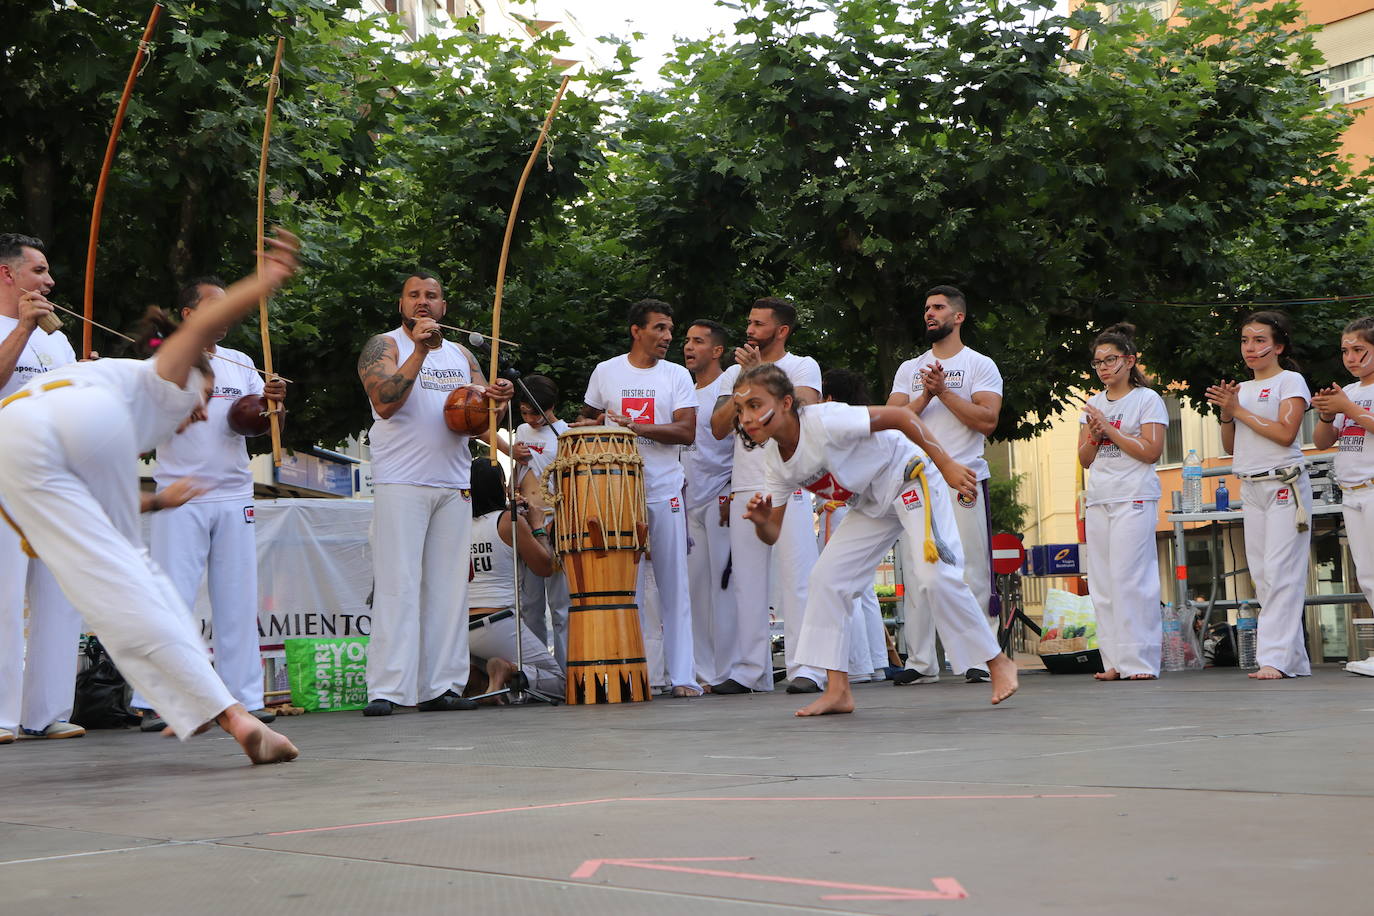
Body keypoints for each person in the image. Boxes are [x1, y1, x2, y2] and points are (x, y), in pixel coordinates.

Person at [0, 231, 303, 763]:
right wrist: (265, 279)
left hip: (17, 444)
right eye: (205, 398)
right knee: (136, 589)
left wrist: (157, 505)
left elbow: (83, 503)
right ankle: (229, 714)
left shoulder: (96, 373)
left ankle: (229, 716)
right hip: (66, 429)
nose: (204, 412)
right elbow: (204, 323)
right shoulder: (166, 379)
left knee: (110, 593)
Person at [733, 365, 1018, 716]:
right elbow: (772, 533)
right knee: (826, 580)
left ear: (787, 402)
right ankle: (838, 690)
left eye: (754, 405)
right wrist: (762, 522)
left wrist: (945, 464)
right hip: (870, 504)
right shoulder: (776, 462)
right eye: (740, 409)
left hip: (908, 479)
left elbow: (900, 416)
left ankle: (996, 661)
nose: (746, 417)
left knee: (934, 576)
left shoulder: (825, 420)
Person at [130, 279, 285, 732]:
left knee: (237, 601)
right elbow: (143, 430)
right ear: (188, 314)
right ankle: (157, 699)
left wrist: (272, 406)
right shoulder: (164, 361)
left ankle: (244, 698)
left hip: (234, 493)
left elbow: (261, 424)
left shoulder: (242, 363)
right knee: (173, 598)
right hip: (180, 494)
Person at [357, 270, 515, 716]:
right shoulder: (384, 346)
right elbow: (386, 402)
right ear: (401, 305)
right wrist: (420, 352)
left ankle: (442, 685)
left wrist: (498, 399)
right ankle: (387, 689)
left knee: (449, 590)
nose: (423, 302)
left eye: (432, 296)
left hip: (453, 482)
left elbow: (485, 416)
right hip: (401, 480)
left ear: (444, 307)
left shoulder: (463, 353)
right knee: (398, 586)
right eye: (414, 295)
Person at [578, 299, 699, 697]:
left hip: (664, 490)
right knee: (621, 587)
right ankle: (630, 673)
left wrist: (637, 426)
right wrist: (591, 425)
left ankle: (682, 677)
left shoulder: (677, 375)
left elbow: (686, 432)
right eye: (660, 328)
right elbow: (587, 422)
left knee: (673, 585)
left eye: (669, 329)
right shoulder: (605, 371)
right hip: (615, 492)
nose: (667, 337)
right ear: (637, 330)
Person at [887, 285, 1003, 685]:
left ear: (958, 316)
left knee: (970, 567)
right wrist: (924, 395)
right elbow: (891, 419)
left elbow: (987, 420)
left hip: (964, 477)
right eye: (926, 308)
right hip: (917, 480)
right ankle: (921, 663)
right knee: (920, 572)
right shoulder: (909, 368)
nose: (929, 314)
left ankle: (978, 658)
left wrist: (945, 392)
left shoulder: (980, 365)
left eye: (938, 308)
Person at [709, 298, 822, 695]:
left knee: (798, 579)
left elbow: (805, 412)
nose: (750, 329)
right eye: (749, 322)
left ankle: (808, 667)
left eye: (759, 324)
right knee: (748, 583)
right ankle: (749, 671)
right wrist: (745, 379)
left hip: (789, 483)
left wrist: (759, 375)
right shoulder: (733, 376)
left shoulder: (803, 366)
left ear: (782, 330)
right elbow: (718, 427)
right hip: (745, 483)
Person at [0, 232, 85, 745]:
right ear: (7, 273)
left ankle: (46, 710)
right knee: (3, 596)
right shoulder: (21, 328)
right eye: (38, 271)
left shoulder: (56, 338)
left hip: (54, 480)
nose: (50, 281)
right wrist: (23, 328)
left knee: (60, 597)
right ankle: (2, 714)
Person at [1205, 311, 1312, 680]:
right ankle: (1291, 659)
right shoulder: (1242, 389)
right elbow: (1232, 445)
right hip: (1250, 485)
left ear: (1278, 345)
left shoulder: (1291, 381)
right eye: (1245, 341)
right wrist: (1227, 414)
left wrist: (1239, 410)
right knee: (1264, 576)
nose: (1251, 348)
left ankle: (1275, 659)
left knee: (1282, 572)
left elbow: (1286, 433)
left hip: (1284, 483)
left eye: (1260, 340)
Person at [1076, 324, 1167, 681]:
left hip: (1134, 497)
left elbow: (1151, 451)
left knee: (1131, 580)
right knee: (1103, 585)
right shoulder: (1094, 404)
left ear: (1129, 361)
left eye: (1111, 360)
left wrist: (1110, 430)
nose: (1103, 368)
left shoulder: (1147, 399)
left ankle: (1140, 661)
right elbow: (1084, 459)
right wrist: (1095, 436)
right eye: (1098, 362)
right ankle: (1113, 660)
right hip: (1099, 499)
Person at [466, 459, 565, 698]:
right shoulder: (507, 521)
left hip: (462, 626)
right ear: (500, 485)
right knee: (561, 682)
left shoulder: (459, 523)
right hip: (498, 621)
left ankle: (480, 678)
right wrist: (538, 526)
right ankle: (508, 669)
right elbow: (545, 567)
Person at [816, 368, 889, 684]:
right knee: (864, 591)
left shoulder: (834, 427)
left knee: (843, 586)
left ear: (830, 398)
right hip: (861, 508)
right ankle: (876, 662)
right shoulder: (861, 424)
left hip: (842, 511)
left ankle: (857, 664)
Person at [1313, 318, 1374, 670]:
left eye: (1359, 350)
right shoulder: (1348, 392)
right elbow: (1323, 442)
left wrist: (1347, 409)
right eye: (1346, 351)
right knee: (1366, 573)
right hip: (1351, 491)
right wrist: (1325, 414)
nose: (1351, 358)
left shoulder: (1352, 399)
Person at [681, 319, 736, 690]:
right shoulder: (680, 388)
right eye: (686, 340)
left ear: (717, 351)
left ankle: (733, 670)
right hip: (686, 499)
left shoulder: (728, 382)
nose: (687, 346)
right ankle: (704, 672)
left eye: (698, 341)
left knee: (725, 587)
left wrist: (733, 489)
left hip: (721, 494)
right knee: (696, 590)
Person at [509, 375, 571, 664]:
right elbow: (518, 474)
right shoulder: (521, 430)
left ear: (551, 406)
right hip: (526, 520)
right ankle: (536, 671)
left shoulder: (566, 435)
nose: (530, 419)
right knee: (530, 603)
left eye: (536, 412)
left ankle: (565, 670)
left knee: (560, 604)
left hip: (556, 521)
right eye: (525, 412)